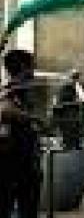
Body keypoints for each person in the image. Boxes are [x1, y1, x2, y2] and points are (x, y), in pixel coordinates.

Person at [0, 49, 42, 218]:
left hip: (27, 163)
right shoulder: (8, 91)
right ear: (23, 68)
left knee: (28, 208)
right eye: (31, 67)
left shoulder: (24, 93)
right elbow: (4, 110)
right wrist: (32, 118)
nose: (33, 72)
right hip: (9, 163)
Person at [54, 70, 84, 150]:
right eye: (75, 78)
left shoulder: (79, 88)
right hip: (68, 116)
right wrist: (74, 102)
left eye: (77, 77)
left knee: (76, 132)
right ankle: (68, 146)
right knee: (69, 133)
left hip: (75, 115)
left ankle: (76, 145)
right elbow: (61, 102)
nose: (76, 80)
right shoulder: (65, 89)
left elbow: (83, 100)